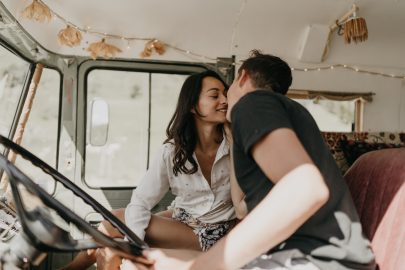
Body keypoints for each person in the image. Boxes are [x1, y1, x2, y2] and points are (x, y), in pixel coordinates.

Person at [123, 50, 376, 270]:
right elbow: (242, 208)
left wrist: (203, 265)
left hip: (315, 259)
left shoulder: (252, 103)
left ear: (242, 77)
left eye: (227, 89)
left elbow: (305, 189)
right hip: (303, 256)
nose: (224, 100)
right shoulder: (279, 117)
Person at [61, 70, 240, 270]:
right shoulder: (172, 151)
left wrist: (134, 247)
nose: (225, 100)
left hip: (216, 231)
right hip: (184, 219)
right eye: (215, 96)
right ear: (192, 106)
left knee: (116, 224)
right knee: (111, 226)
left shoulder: (235, 144)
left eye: (226, 94)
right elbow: (141, 201)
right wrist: (135, 244)